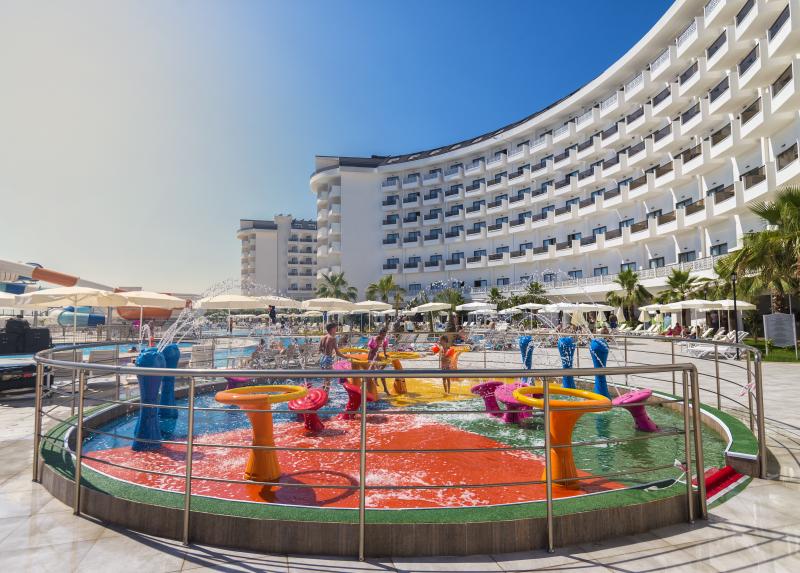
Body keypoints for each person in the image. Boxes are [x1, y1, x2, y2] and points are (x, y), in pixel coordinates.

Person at [319, 323, 346, 389]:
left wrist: (328, 352)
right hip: (328, 359)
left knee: (325, 379)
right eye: (335, 328)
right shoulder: (332, 338)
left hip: (322, 358)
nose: (336, 330)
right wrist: (346, 357)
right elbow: (337, 353)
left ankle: (323, 392)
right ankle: (326, 394)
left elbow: (320, 350)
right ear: (332, 329)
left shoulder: (323, 338)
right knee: (328, 379)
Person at [367, 327, 391, 394]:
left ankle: (376, 376)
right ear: (379, 334)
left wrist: (385, 354)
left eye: (385, 335)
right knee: (380, 372)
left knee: (383, 366)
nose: (384, 336)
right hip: (372, 356)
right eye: (383, 335)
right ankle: (385, 388)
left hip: (376, 355)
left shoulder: (384, 340)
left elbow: (384, 347)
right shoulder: (374, 340)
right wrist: (369, 360)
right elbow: (370, 351)